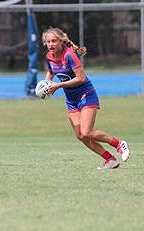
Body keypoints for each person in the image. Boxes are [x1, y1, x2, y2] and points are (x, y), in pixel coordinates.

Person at [41, 27, 130, 170]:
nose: (51, 44)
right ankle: (110, 160)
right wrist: (46, 84)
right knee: (81, 136)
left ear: (61, 41)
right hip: (71, 100)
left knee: (87, 131)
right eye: (48, 42)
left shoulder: (69, 55)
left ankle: (119, 144)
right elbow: (51, 71)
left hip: (86, 94)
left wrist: (58, 85)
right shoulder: (49, 56)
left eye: (54, 41)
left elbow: (81, 78)